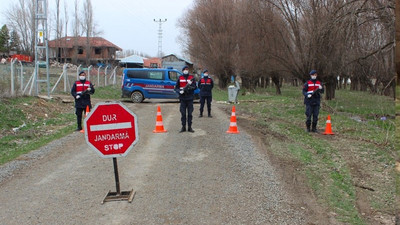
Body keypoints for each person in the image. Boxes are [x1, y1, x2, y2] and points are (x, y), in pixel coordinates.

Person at [175, 65, 196, 133]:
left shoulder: (191, 78)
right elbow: (176, 88)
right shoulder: (180, 78)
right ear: (183, 70)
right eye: (185, 69)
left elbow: (195, 87)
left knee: (190, 114)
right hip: (183, 98)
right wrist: (179, 91)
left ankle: (189, 127)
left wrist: (189, 87)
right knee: (183, 114)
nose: (186, 70)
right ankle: (183, 127)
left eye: (187, 69)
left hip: (190, 98)